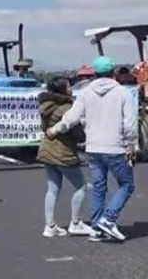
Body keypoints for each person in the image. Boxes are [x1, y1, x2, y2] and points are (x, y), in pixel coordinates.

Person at [46, 56, 138, 242]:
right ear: (113, 73)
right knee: (127, 185)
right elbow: (130, 125)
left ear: (95, 74)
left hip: (93, 147)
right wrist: (131, 145)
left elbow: (71, 118)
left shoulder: (86, 93)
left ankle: (97, 226)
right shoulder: (123, 93)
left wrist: (54, 130)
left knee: (99, 187)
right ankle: (108, 219)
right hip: (115, 147)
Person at [38, 77, 94, 237]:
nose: (71, 89)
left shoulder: (45, 106)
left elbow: (44, 127)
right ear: (62, 90)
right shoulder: (67, 108)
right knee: (80, 186)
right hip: (63, 152)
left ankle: (50, 226)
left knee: (52, 189)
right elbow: (77, 133)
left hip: (46, 150)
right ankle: (75, 223)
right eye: (69, 86)